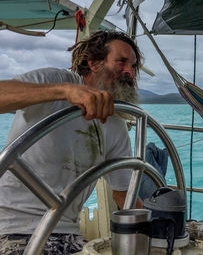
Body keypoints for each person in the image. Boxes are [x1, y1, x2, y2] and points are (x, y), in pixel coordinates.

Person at [0, 31, 143, 254]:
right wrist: (65, 92)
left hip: (69, 234)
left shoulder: (115, 125)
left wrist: (156, 227)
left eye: (133, 66)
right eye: (122, 61)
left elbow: (124, 193)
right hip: (12, 227)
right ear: (94, 63)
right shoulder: (55, 82)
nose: (129, 71)